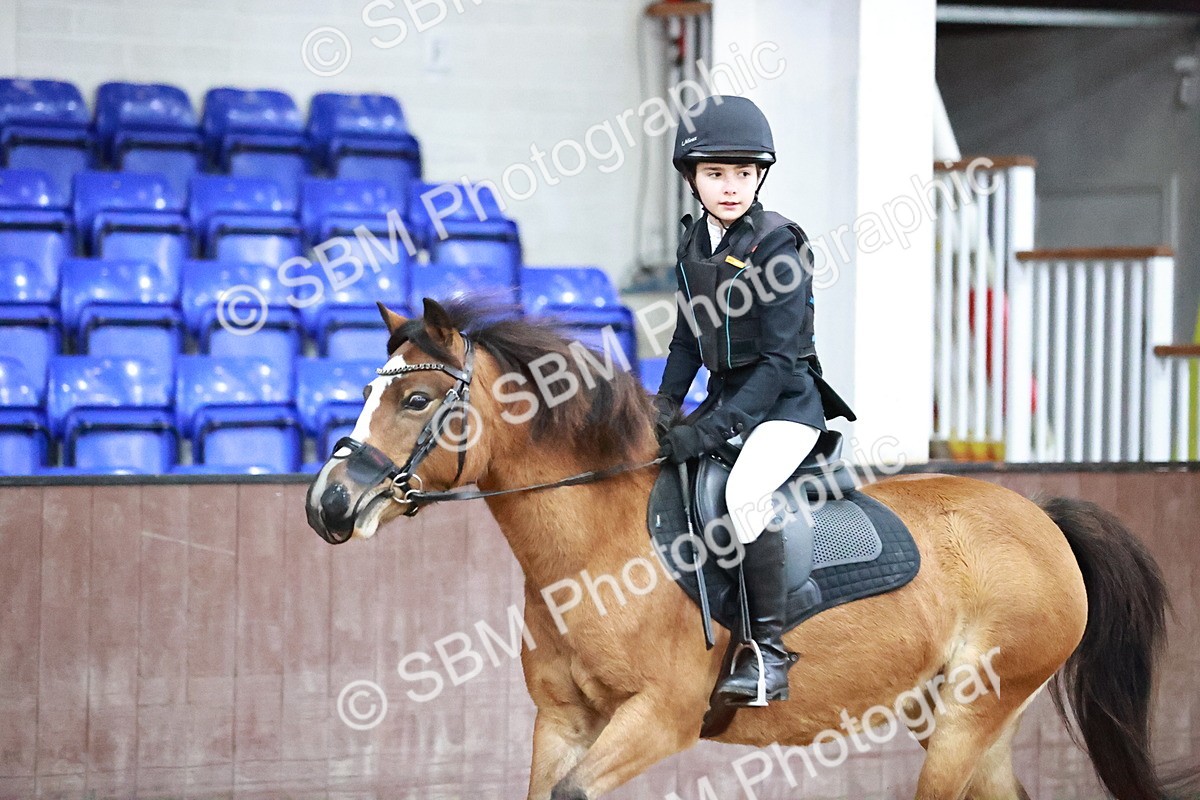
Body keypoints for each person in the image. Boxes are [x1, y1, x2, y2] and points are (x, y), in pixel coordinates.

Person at [654, 95, 856, 707]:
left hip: (786, 407)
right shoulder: (694, 248)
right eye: (716, 174)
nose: (731, 186)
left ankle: (768, 654)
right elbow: (688, 341)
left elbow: (777, 364)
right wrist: (662, 410)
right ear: (692, 178)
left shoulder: (779, 248)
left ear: (760, 175)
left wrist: (711, 431)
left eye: (743, 173)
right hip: (728, 400)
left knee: (743, 496)